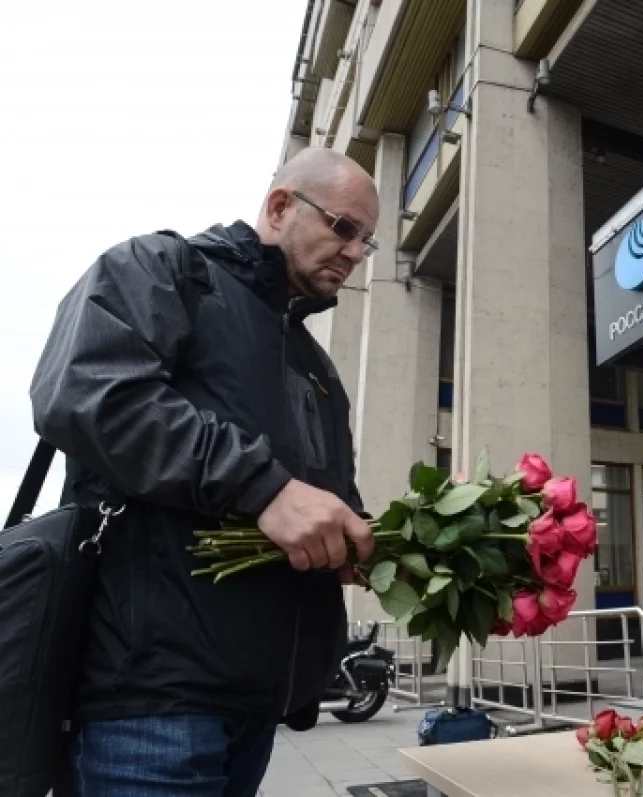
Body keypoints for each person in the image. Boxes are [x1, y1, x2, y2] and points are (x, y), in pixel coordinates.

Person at [30, 147, 380, 796]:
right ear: (280, 207)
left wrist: (359, 540)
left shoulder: (317, 368)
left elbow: (327, 498)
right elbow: (82, 393)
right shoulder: (164, 272)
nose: (356, 252)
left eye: (367, 241)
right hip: (149, 707)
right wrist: (264, 487)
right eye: (343, 227)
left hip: (257, 709)